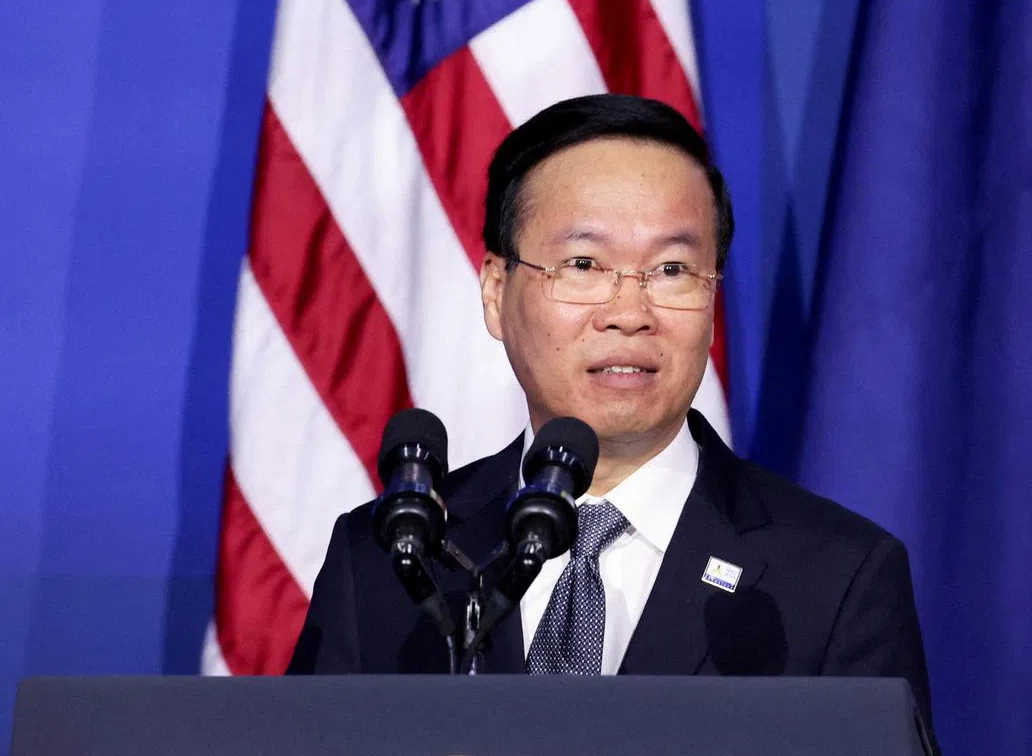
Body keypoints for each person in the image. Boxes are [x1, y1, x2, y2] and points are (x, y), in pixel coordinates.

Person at [288, 93, 935, 739]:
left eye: (673, 269)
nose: (629, 311)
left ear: (713, 297)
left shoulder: (837, 576)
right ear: (495, 293)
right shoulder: (391, 555)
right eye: (584, 265)